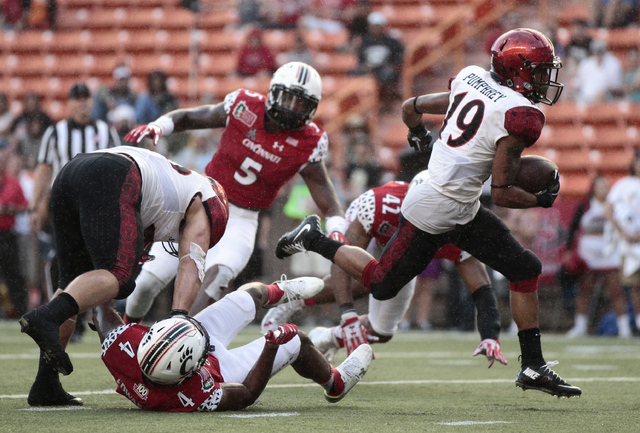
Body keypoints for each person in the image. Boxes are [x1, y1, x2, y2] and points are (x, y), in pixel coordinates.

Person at [275, 28, 582, 398]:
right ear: (518, 70)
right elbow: (501, 193)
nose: (543, 79)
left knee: (525, 267)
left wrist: (418, 133)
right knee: (381, 282)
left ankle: (533, 366)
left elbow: (410, 107)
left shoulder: (473, 78)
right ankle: (314, 238)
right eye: (538, 71)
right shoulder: (519, 114)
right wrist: (540, 199)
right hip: (436, 209)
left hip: (454, 203)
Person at [123, 61, 347, 320]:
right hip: (200, 200)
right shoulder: (245, 106)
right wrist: (159, 126)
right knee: (149, 282)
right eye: (287, 98)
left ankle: (180, 333)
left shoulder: (308, 142)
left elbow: (328, 200)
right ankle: (127, 331)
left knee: (219, 278)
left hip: (242, 219)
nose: (290, 109)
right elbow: (189, 117)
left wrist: (337, 230)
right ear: (273, 92)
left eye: (301, 104)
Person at [19, 145, 230, 407]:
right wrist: (179, 320)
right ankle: (48, 316)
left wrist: (105, 316)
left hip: (71, 172)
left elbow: (97, 289)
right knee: (120, 277)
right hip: (114, 174)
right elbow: (192, 264)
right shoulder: (205, 202)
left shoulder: (173, 188)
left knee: (73, 282)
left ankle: (45, 384)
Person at [263, 174, 507, 367]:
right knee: (363, 278)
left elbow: (482, 290)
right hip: (378, 234)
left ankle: (327, 337)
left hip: (408, 253)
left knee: (383, 330)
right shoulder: (379, 205)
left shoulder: (457, 229)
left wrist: (489, 335)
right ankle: (292, 299)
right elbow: (341, 259)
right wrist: (348, 316)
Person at [93, 277, 373, 411]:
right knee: (297, 341)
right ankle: (335, 383)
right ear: (191, 371)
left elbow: (99, 304)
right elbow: (248, 392)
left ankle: (280, 291)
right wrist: (271, 347)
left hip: (179, 349)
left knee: (248, 295)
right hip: (224, 372)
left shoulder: (122, 344)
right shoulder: (194, 394)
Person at [565, 176, 630, 338]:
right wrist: (568, 251)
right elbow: (573, 229)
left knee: (616, 291)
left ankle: (624, 329)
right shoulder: (585, 206)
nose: (605, 189)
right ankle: (580, 327)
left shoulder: (616, 206)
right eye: (601, 186)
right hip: (589, 254)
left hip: (609, 253)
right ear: (594, 189)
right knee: (585, 290)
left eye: (607, 186)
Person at [606, 150, 640, 334]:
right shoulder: (623, 185)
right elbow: (609, 209)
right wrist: (623, 232)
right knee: (634, 285)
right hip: (629, 243)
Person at [0, 138, 29, 318]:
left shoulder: (12, 182)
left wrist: (10, 209)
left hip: (6, 234)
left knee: (13, 274)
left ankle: (20, 310)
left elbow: (25, 206)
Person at [354, 12, 404, 105]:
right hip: (369, 69)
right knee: (354, 73)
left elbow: (399, 57)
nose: (374, 29)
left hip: (384, 68)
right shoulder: (365, 41)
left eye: (377, 26)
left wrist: (390, 65)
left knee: (387, 75)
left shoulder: (391, 41)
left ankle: (387, 102)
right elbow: (361, 59)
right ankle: (360, 103)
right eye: (373, 26)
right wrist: (365, 66)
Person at [572, 39, 623, 103]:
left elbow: (618, 88)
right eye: (597, 51)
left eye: (601, 51)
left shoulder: (613, 64)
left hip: (606, 100)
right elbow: (578, 83)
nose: (599, 54)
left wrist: (606, 91)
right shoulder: (585, 64)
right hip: (585, 99)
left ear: (605, 51)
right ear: (593, 52)